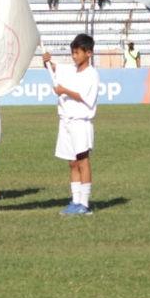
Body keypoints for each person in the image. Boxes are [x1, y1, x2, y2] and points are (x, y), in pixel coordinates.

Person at [43, 34, 99, 215]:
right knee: (72, 163)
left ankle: (85, 203)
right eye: (72, 53)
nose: (74, 56)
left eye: (77, 53)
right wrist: (47, 61)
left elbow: (84, 97)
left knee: (83, 161)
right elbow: (55, 68)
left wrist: (64, 90)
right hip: (66, 121)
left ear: (88, 53)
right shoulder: (71, 70)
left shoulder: (91, 74)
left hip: (80, 122)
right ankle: (75, 200)